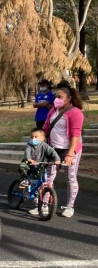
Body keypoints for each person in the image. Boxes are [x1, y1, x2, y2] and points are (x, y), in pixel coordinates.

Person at [42, 86, 84, 218]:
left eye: (60, 97)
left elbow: (75, 135)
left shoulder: (75, 112)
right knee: (48, 178)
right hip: (53, 149)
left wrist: (70, 154)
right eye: (56, 96)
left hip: (69, 150)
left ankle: (70, 206)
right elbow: (46, 128)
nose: (56, 99)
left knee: (70, 178)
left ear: (69, 98)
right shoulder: (53, 111)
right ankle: (44, 204)